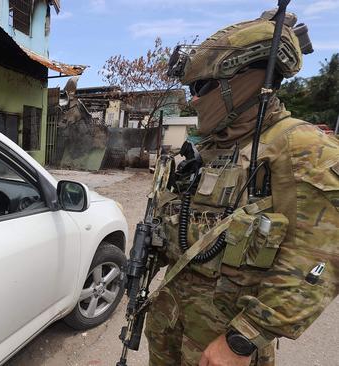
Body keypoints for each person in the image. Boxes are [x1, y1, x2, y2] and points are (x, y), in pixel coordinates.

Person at [144, 9, 339, 366]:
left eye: (201, 88)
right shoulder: (206, 150)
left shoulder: (300, 148)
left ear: (245, 81)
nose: (195, 100)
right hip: (171, 325)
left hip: (224, 345)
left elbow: (318, 262)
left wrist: (241, 340)